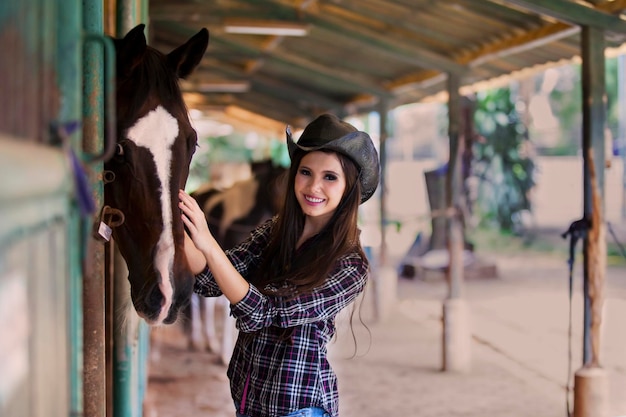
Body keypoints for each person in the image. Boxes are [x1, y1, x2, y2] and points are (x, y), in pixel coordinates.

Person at [179, 113, 380, 417]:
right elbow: (210, 278)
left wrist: (207, 242)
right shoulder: (275, 232)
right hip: (250, 400)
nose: (313, 187)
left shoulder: (351, 265)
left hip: (297, 408)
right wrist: (175, 225)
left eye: (330, 177)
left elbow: (265, 311)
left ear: (349, 187)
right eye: (305, 172)